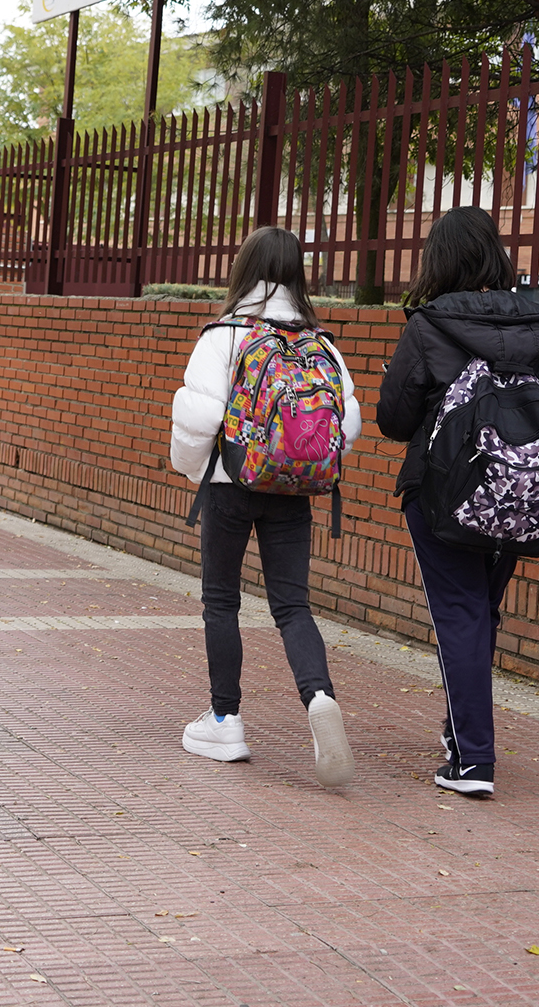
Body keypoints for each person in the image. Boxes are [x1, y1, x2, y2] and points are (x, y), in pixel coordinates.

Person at [375, 206, 539, 799]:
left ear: (439, 260)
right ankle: (460, 737)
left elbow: (393, 420)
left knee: (460, 614)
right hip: (518, 496)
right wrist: (516, 456)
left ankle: (473, 759)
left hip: (441, 496)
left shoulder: (428, 325)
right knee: (480, 612)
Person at [169, 226, 362, 789]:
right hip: (292, 491)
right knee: (293, 606)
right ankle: (319, 697)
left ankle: (225, 721)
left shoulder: (224, 336)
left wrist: (194, 469)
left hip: (230, 485)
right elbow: (346, 425)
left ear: (244, 270)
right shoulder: (320, 344)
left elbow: (199, 418)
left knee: (221, 600)